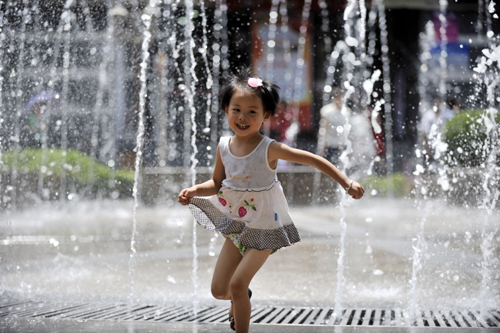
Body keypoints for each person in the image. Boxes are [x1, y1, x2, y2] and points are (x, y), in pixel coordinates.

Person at [178, 68, 364, 333]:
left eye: (252, 112)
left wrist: (346, 182)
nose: (243, 117)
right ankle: (242, 299)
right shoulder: (223, 146)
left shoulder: (269, 148)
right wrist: (195, 189)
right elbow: (217, 183)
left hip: (265, 227)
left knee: (237, 284)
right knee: (220, 291)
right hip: (237, 226)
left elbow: (313, 159)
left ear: (265, 116)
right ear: (226, 110)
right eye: (237, 110)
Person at [317, 87, 348, 167]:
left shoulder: (347, 111)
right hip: (330, 143)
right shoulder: (328, 111)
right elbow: (323, 128)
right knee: (330, 165)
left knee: (342, 165)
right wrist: (322, 144)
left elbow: (349, 130)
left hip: (342, 143)